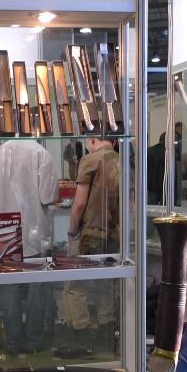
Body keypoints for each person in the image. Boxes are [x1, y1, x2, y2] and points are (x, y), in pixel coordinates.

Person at [0, 139, 58, 354]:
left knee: (11, 287)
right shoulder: (41, 153)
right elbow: (49, 197)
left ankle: (12, 342)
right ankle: (34, 341)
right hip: (32, 228)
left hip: (2, 228)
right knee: (37, 287)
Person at [61, 136, 120, 355]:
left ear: (93, 138)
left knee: (74, 285)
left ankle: (82, 342)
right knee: (107, 286)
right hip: (114, 236)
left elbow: (79, 204)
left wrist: (71, 231)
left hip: (88, 235)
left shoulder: (90, 160)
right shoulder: (122, 162)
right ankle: (106, 341)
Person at [147, 132, 165, 205]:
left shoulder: (150, 150)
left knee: (151, 208)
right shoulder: (168, 151)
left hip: (152, 185)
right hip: (164, 185)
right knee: (165, 209)